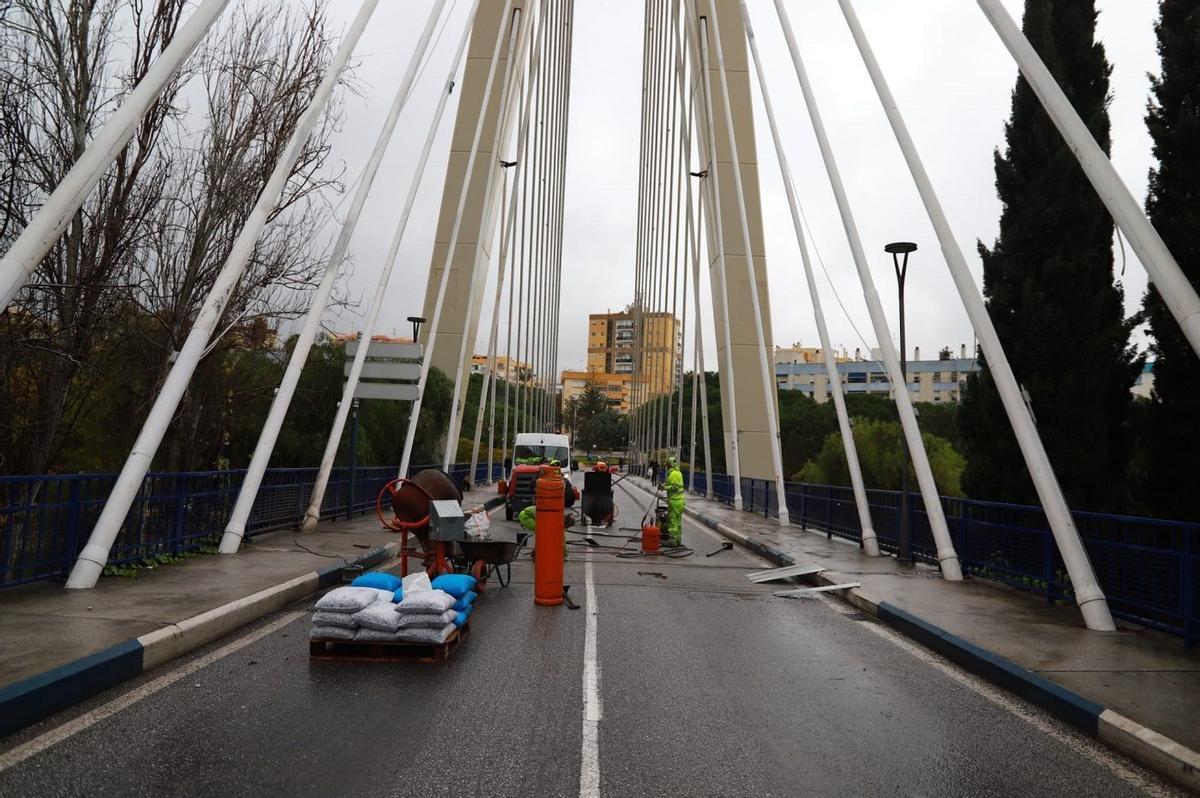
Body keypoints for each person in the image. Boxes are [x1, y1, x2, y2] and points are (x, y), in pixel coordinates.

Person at [661, 456, 685, 547]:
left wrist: (664, 488)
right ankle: (678, 540)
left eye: (667, 464)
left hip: (674, 501)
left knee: (672, 521)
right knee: (678, 522)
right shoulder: (679, 473)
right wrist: (665, 486)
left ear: (669, 464)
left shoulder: (673, 474)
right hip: (681, 501)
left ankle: (672, 541)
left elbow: (674, 487)